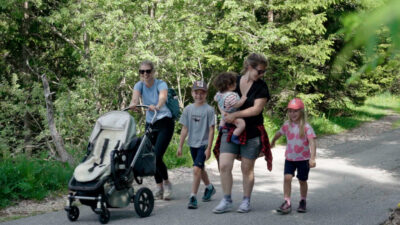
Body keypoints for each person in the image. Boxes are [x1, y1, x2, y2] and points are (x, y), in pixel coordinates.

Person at [212, 53, 273, 214]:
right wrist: (224, 113)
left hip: (252, 131)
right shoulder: (233, 81)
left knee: (247, 168)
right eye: (259, 71)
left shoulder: (261, 87)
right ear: (249, 67)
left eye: (263, 72)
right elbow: (220, 98)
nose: (261, 74)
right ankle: (226, 200)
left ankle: (246, 201)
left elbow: (256, 109)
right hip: (230, 128)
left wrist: (235, 115)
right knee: (224, 165)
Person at [128, 60, 174, 200]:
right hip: (151, 123)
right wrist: (133, 105)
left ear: (153, 72)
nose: (145, 74)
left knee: (157, 154)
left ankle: (167, 183)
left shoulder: (161, 84)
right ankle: (159, 186)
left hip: (164, 121)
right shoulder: (139, 85)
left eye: (148, 71)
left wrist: (157, 106)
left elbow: (163, 97)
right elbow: (135, 98)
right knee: (149, 155)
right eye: (142, 71)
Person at [270, 98, 317, 214]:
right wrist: (273, 141)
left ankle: (303, 200)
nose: (292, 114)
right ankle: (287, 202)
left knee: (302, 180)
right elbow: (279, 133)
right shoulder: (287, 125)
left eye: (295, 111)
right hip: (290, 158)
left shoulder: (306, 127)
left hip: (303, 159)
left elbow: (312, 142)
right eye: (290, 111)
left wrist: (312, 158)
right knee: (287, 178)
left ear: (301, 112)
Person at [177, 80, 217, 209]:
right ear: (192, 93)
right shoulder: (188, 109)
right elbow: (184, 128)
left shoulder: (209, 110)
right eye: (196, 92)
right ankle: (209, 187)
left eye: (202, 93)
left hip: (203, 144)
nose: (199, 95)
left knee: (196, 169)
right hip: (192, 143)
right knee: (200, 169)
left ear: (206, 94)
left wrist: (209, 148)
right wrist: (180, 145)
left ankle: (193, 197)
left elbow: (212, 130)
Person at [213, 72, 247, 144]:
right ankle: (234, 136)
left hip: (224, 114)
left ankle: (221, 127)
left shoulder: (219, 94)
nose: (236, 84)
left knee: (223, 119)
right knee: (242, 124)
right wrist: (243, 99)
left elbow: (216, 100)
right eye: (234, 83)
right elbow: (236, 105)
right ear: (229, 85)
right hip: (232, 114)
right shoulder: (231, 96)